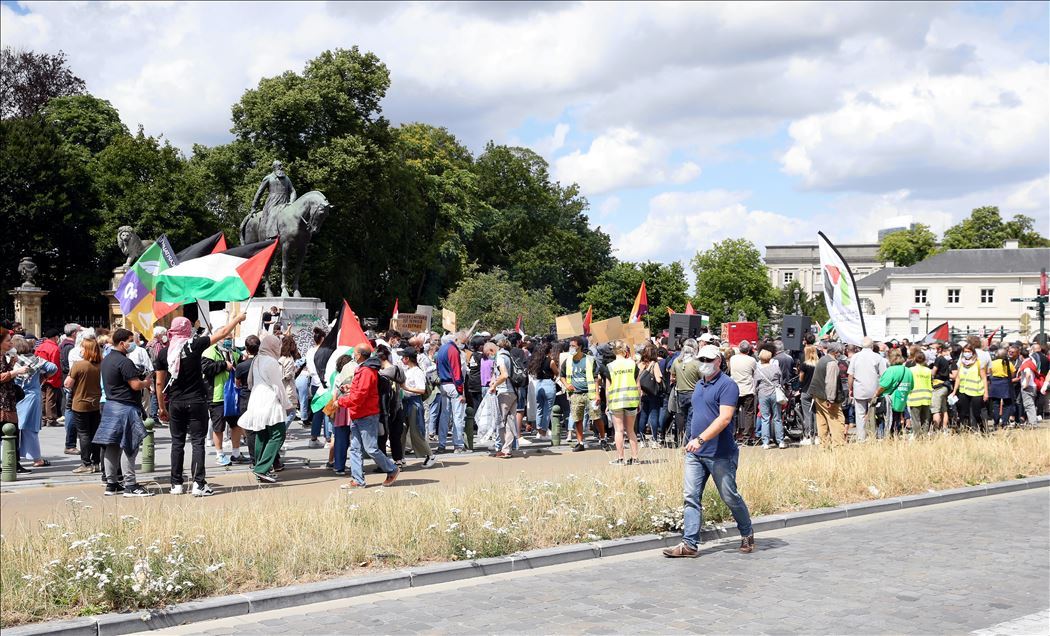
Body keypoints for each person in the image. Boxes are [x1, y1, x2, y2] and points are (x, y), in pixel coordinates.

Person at [663, 343, 753, 557]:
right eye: (701, 360)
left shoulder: (727, 385)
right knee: (691, 496)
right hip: (696, 452)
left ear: (719, 362)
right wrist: (689, 440)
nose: (704, 364)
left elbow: (724, 419)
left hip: (719, 453)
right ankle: (689, 544)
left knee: (729, 496)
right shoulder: (700, 385)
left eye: (708, 360)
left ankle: (747, 532)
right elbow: (696, 414)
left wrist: (701, 439)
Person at [155, 313, 246, 497]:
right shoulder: (194, 345)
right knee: (197, 442)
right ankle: (198, 484)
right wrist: (237, 319)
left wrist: (161, 408)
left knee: (177, 442)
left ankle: (176, 484)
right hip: (196, 400)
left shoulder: (164, 352)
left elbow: (158, 383)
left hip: (175, 402)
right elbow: (222, 333)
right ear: (188, 330)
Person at [92, 329, 152, 497]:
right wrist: (146, 382)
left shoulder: (106, 360)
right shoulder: (124, 362)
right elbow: (134, 385)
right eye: (131, 340)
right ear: (121, 343)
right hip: (126, 406)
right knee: (129, 446)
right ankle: (130, 485)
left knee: (111, 446)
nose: (133, 344)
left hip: (110, 405)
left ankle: (111, 484)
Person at [338, 344, 400, 487]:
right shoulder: (364, 369)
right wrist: (350, 388)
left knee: (371, 448)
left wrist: (341, 402)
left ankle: (392, 469)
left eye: (355, 353)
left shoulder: (366, 371)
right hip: (358, 413)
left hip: (366, 414)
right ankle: (357, 480)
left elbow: (360, 396)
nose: (353, 355)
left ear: (359, 355)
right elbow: (360, 391)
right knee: (355, 448)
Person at [238, 334, 290, 483]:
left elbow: (250, 382)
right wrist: (286, 404)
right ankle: (262, 468)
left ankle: (260, 468)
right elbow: (278, 386)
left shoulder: (257, 359)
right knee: (277, 435)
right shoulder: (272, 362)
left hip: (256, 399)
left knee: (262, 435)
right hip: (270, 401)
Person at [12, 335, 58, 468]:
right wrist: (43, 377)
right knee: (31, 428)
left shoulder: (11, 360)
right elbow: (53, 368)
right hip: (31, 395)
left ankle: (12, 456)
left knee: (13, 428)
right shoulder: (36, 359)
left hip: (14, 396)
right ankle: (36, 459)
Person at [202, 336, 247, 466]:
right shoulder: (209, 351)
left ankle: (236, 453)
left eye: (231, 338)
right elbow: (206, 368)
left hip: (233, 395)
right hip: (217, 395)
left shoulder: (233, 351)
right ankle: (219, 454)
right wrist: (223, 365)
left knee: (236, 424)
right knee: (218, 427)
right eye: (227, 337)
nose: (229, 340)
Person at [559, 336, 609, 452]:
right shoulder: (568, 361)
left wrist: (597, 394)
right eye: (570, 346)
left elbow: (596, 378)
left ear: (580, 347)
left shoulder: (590, 360)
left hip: (590, 394)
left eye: (573, 346)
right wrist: (567, 385)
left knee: (596, 417)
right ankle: (580, 442)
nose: (571, 348)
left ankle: (602, 439)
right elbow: (561, 376)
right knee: (578, 419)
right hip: (575, 394)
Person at [66, 338, 103, 474]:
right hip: (97, 403)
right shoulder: (102, 365)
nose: (80, 350)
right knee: (95, 432)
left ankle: (86, 463)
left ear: (86, 350)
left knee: (84, 434)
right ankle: (97, 462)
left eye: (82, 348)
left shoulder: (79, 365)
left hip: (81, 403)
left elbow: (68, 384)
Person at [400, 347, 437, 468]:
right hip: (406, 402)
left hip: (414, 403)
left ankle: (430, 455)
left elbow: (421, 390)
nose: (401, 359)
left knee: (416, 432)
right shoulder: (408, 370)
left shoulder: (417, 372)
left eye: (403, 357)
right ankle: (400, 457)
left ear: (407, 358)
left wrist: (406, 388)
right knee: (402, 432)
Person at [606, 340, 641, 465]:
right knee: (631, 430)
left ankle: (621, 459)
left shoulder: (610, 366)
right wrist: (639, 401)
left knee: (618, 430)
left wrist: (607, 404)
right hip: (631, 400)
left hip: (616, 402)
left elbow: (608, 388)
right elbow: (638, 385)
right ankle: (635, 458)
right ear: (624, 350)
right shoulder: (632, 364)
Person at [0, 327, 30, 469]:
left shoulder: (3, 356)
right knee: (10, 431)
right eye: (7, 341)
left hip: (8, 399)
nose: (11, 344)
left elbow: (5, 373)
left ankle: (15, 463)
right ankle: (12, 464)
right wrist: (16, 371)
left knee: (13, 432)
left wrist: (12, 363)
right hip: (3, 401)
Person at [847, 337, 887, 442]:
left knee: (859, 414)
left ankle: (861, 437)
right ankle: (872, 435)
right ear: (872, 345)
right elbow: (884, 375)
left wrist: (850, 388)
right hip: (874, 389)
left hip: (859, 388)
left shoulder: (855, 357)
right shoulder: (878, 357)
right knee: (872, 413)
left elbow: (850, 374)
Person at [808, 341, 847, 447]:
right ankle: (838, 445)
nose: (841, 354)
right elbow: (831, 382)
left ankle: (824, 445)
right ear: (836, 352)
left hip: (817, 395)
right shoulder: (832, 363)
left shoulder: (822, 359)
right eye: (840, 352)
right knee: (837, 420)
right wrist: (831, 399)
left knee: (822, 421)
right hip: (826, 397)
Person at [436, 332, 468, 453]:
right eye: (463, 342)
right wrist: (460, 390)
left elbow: (438, 367)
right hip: (453, 385)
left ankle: (441, 444)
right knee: (458, 416)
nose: (463, 345)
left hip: (444, 384)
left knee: (444, 416)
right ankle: (458, 444)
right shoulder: (453, 350)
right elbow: (456, 372)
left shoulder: (442, 349)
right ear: (456, 339)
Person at [874, 348, 913, 437]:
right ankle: (895, 438)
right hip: (902, 401)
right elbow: (911, 386)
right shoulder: (907, 371)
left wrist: (875, 394)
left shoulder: (891, 370)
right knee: (897, 422)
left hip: (889, 401)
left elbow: (883, 386)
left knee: (886, 423)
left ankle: (886, 440)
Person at [490, 338, 518, 459]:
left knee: (501, 422)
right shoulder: (509, 356)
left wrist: (494, 385)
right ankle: (508, 449)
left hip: (504, 391)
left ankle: (504, 449)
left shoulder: (500, 357)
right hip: (514, 391)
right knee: (510, 422)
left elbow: (504, 375)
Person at [670, 339, 702, 447]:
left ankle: (680, 440)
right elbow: (702, 379)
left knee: (681, 418)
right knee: (690, 420)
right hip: (693, 393)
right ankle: (686, 443)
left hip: (679, 393)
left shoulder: (676, 361)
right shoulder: (696, 363)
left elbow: (672, 377)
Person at [951, 342, 988, 433]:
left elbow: (984, 378)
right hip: (964, 391)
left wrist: (986, 392)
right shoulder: (962, 364)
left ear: (973, 352)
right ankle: (966, 430)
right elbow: (958, 377)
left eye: (968, 351)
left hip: (976, 392)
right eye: (965, 351)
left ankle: (981, 430)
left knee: (976, 413)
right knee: (963, 413)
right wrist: (954, 391)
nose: (966, 353)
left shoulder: (979, 363)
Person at [754, 349, 785, 449]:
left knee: (765, 418)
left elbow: (755, 385)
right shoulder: (776, 368)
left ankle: (766, 442)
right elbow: (781, 381)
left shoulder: (758, 371)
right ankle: (780, 441)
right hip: (775, 393)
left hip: (763, 394)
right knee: (777, 418)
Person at [32, 328, 63, 429]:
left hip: (40, 375)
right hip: (51, 376)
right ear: (55, 337)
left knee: (43, 398)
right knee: (51, 399)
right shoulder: (54, 348)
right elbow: (55, 365)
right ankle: (51, 419)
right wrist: (56, 378)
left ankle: (43, 418)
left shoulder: (40, 347)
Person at [528, 341, 558, 443]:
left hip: (539, 385)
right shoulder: (551, 361)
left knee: (539, 408)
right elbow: (556, 372)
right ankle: (544, 432)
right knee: (547, 410)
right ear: (549, 350)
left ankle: (539, 431)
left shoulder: (537, 361)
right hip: (548, 384)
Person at [729, 340, 758, 444]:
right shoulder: (752, 360)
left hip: (734, 389)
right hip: (748, 389)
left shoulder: (733, 359)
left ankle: (733, 434)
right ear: (749, 350)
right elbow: (755, 372)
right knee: (749, 413)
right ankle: (746, 437)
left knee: (733, 413)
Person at [59, 323, 82, 455]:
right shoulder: (70, 348)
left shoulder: (66, 346)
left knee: (71, 411)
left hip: (70, 382)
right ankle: (71, 442)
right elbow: (69, 367)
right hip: (72, 384)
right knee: (71, 412)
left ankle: (72, 441)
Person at [637, 343, 664, 448]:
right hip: (653, 393)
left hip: (642, 393)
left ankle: (642, 440)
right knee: (653, 415)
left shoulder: (639, 364)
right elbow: (658, 379)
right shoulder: (654, 364)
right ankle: (654, 440)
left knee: (643, 416)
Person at [906, 347, 933, 437]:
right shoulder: (929, 371)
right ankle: (924, 435)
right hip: (926, 397)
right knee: (925, 418)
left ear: (914, 359)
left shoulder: (911, 370)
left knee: (915, 419)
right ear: (924, 359)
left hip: (914, 397)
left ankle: (917, 436)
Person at [987, 348, 1014, 429]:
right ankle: (1004, 422)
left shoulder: (992, 363)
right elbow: (1012, 374)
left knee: (995, 404)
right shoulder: (1008, 363)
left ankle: (996, 421)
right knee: (1008, 404)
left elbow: (989, 372)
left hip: (994, 383)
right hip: (1005, 383)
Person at [930, 342, 954, 433]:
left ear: (939, 349)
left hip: (938, 387)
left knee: (935, 410)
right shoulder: (944, 360)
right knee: (944, 409)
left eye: (934, 348)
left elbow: (933, 372)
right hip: (945, 386)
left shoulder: (938, 359)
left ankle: (936, 429)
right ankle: (944, 428)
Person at [797, 345, 819, 445]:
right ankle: (817, 435)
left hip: (806, 390)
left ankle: (808, 436)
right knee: (816, 414)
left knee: (807, 414)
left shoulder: (804, 365)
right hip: (817, 392)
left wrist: (800, 387)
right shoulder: (819, 364)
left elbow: (801, 378)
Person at [278, 335, 301, 426]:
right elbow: (288, 375)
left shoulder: (279, 358)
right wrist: (294, 371)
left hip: (280, 388)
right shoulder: (289, 359)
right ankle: (282, 431)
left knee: (282, 413)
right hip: (288, 388)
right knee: (292, 413)